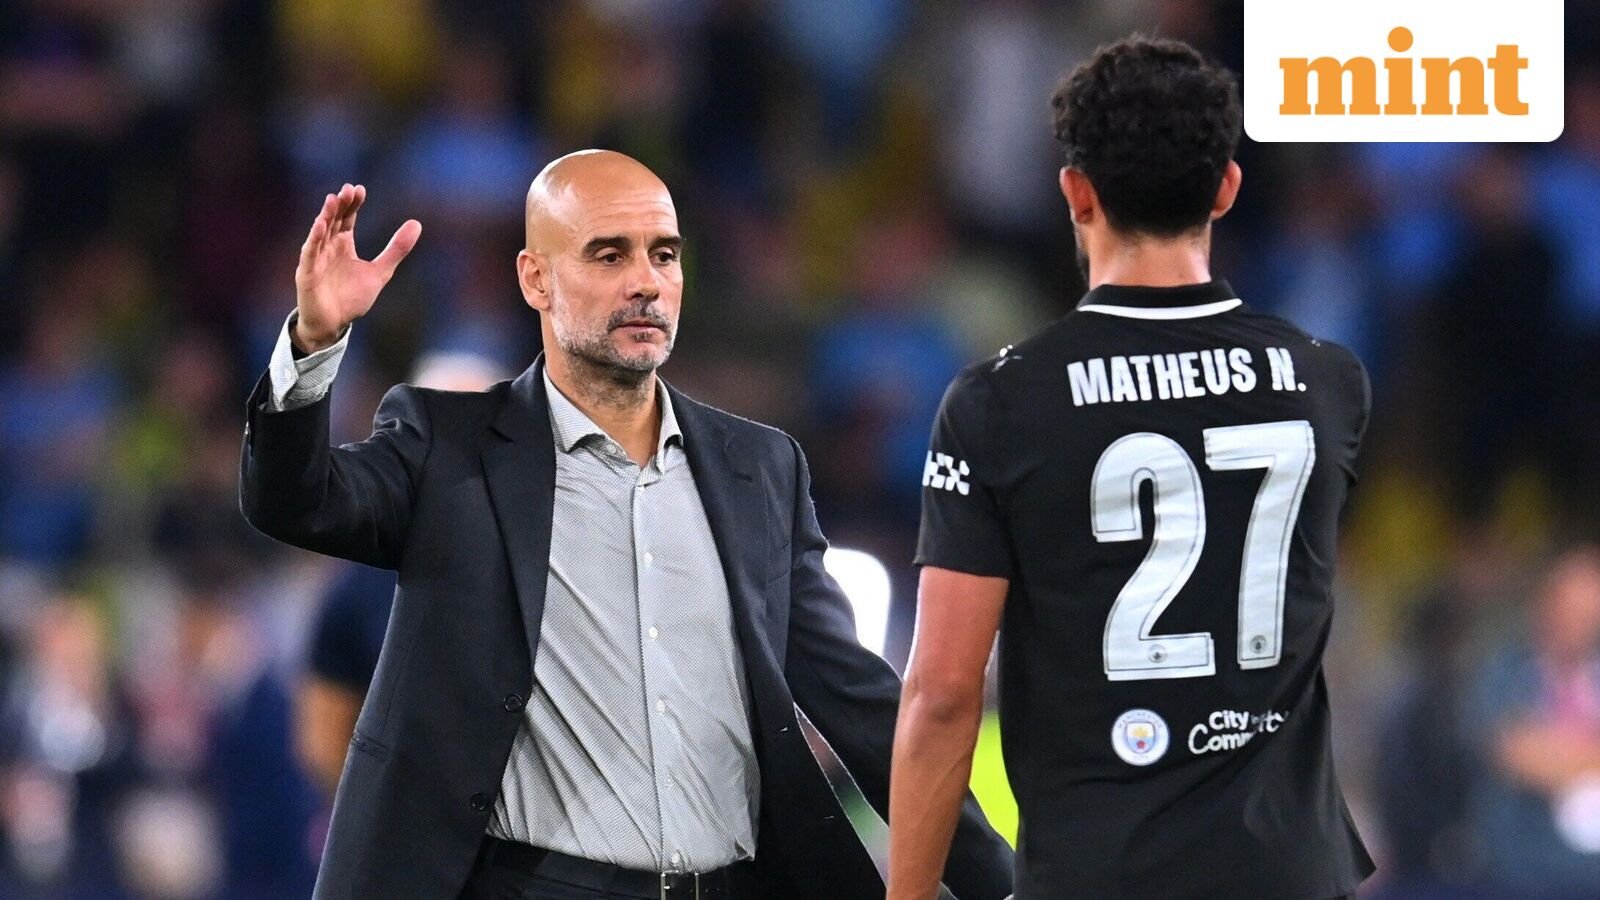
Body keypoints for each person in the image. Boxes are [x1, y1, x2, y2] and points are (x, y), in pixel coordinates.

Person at [240, 150, 1013, 900]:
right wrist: (314, 342)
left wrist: (1008, 882)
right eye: (609, 255)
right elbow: (294, 500)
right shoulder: (449, 448)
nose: (646, 282)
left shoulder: (761, 468)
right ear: (535, 278)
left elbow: (859, 703)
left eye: (665, 255)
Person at [886, 37, 1375, 900]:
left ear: (1076, 190)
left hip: (1099, 872)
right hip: (1292, 871)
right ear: (1226, 186)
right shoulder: (1328, 381)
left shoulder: (1000, 402)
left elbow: (944, 696)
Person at [1469, 547, 1600, 900]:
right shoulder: (1503, 672)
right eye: (1572, 609)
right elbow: (1521, 756)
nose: (1582, 622)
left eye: (1591, 611)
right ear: (1545, 606)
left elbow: (1543, 754)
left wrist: (1557, 751)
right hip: (1525, 871)